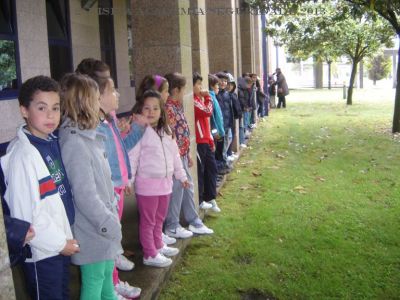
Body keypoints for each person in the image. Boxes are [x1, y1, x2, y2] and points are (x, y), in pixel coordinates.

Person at [0, 75, 79, 299]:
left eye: (55, 108)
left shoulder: (49, 141)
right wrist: (59, 243)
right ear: (24, 110)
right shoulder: (22, 157)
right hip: (42, 251)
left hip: (60, 242)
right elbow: (26, 217)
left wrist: (64, 239)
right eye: (41, 108)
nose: (50, 115)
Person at [76, 58, 143, 299]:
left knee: (111, 242)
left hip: (115, 186)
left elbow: (116, 152)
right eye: (111, 89)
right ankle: (113, 283)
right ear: (94, 95)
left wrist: (125, 178)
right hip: (107, 192)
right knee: (106, 246)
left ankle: (113, 281)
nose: (116, 94)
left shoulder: (109, 119)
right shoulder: (90, 128)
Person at [58, 73, 122, 300]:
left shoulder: (86, 135)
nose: (98, 104)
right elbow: (84, 195)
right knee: (94, 281)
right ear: (84, 103)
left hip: (101, 224)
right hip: (92, 227)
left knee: (105, 276)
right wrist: (107, 223)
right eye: (95, 99)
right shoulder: (74, 141)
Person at [129, 90, 189, 268]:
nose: (151, 111)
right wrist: (128, 180)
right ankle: (149, 253)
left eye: (155, 108)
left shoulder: (167, 130)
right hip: (147, 186)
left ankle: (158, 245)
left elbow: (175, 156)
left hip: (165, 184)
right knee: (148, 221)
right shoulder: (139, 131)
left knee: (159, 219)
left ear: (161, 111)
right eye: (146, 108)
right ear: (140, 109)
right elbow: (133, 157)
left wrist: (182, 176)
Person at [163, 72, 214, 239]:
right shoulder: (169, 108)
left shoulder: (176, 105)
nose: (186, 91)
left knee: (187, 187)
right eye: (184, 88)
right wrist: (179, 155)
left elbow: (183, 130)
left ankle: (193, 220)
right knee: (178, 189)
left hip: (182, 155)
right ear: (176, 89)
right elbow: (170, 136)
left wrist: (188, 154)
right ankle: (172, 225)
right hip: (175, 157)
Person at [193, 72, 221, 213]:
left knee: (212, 168)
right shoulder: (194, 100)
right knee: (201, 171)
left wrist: (210, 139)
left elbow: (206, 122)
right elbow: (207, 112)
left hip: (206, 139)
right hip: (198, 141)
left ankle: (210, 197)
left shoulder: (200, 99)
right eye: (197, 84)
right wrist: (208, 97)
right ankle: (200, 200)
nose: (200, 87)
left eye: (200, 84)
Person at [226, 73, 242, 160]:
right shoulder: (226, 95)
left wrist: (239, 115)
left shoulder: (233, 94)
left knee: (232, 135)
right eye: (228, 84)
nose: (229, 86)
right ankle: (227, 154)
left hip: (233, 118)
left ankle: (229, 152)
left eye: (231, 84)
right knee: (228, 137)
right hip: (227, 120)